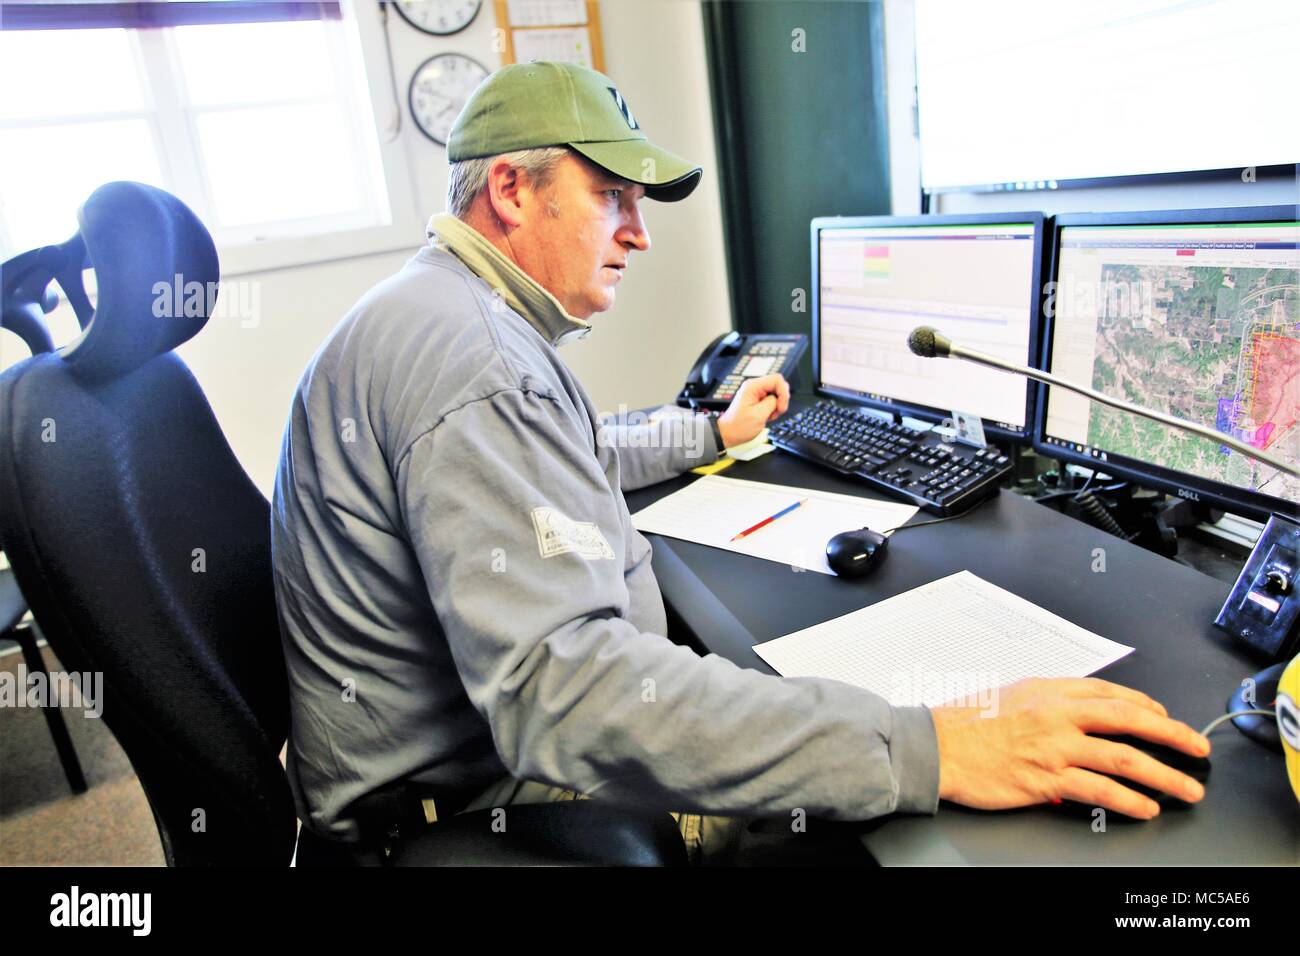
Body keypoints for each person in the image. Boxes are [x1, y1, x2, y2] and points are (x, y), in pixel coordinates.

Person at [271, 61, 1210, 866]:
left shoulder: (440, 312)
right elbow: (564, 696)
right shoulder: (480, 366)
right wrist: (930, 750)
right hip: (492, 806)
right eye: (612, 197)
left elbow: (575, 451)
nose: (638, 232)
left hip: (446, 763)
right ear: (512, 192)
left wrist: (708, 435)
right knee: (895, 824)